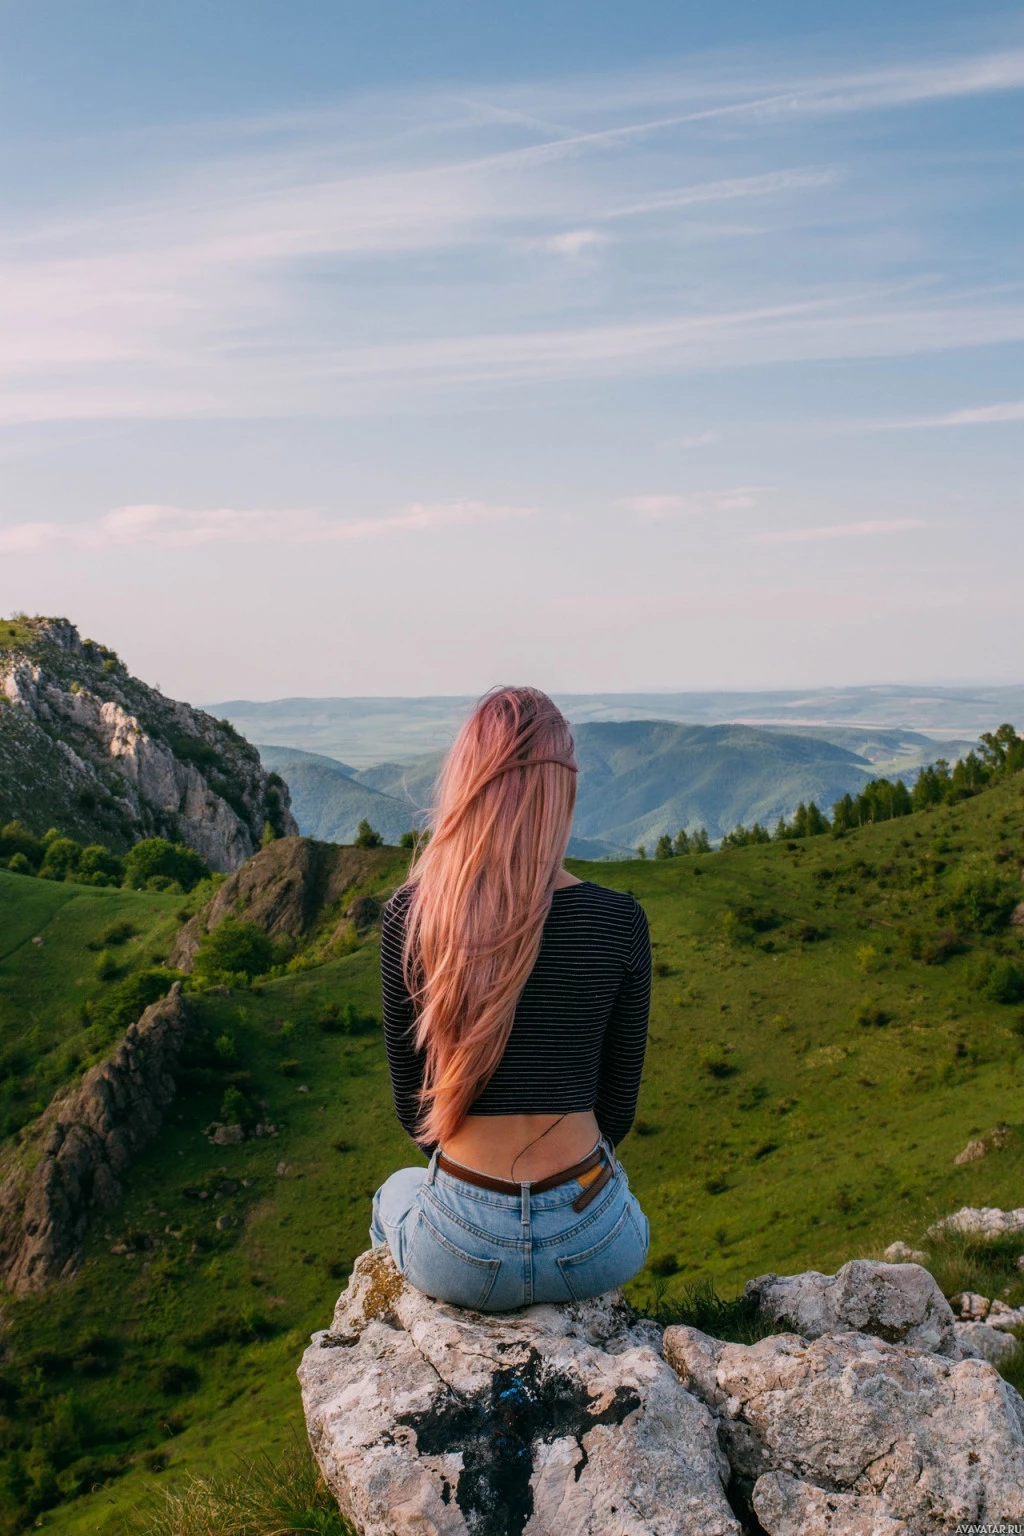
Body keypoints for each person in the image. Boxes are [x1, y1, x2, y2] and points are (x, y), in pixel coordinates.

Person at [370, 685, 652, 1311]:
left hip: (460, 1250)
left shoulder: (413, 917)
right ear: (563, 789)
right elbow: (617, 1109)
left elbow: (412, 1106)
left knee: (395, 1192)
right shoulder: (618, 920)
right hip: (595, 1239)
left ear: (468, 780)